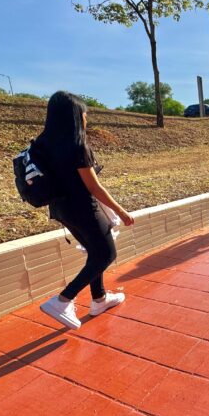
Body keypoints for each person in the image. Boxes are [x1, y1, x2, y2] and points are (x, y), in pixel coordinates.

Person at [37, 91, 134, 330]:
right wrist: (122, 212)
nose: (86, 118)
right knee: (106, 254)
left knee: (95, 252)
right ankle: (62, 301)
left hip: (60, 209)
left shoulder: (42, 144)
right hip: (83, 207)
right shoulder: (77, 146)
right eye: (84, 114)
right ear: (75, 116)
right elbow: (94, 187)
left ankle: (99, 299)